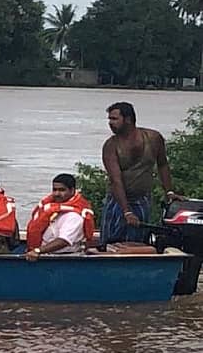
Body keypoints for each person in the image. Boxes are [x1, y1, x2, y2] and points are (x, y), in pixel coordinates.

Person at [101, 101, 178, 245]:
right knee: (111, 242)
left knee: (137, 241)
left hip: (142, 199)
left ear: (128, 119)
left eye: (114, 119)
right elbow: (115, 180)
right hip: (117, 201)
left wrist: (169, 193)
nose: (110, 123)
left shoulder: (153, 138)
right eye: (109, 119)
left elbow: (162, 164)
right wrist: (126, 211)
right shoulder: (111, 146)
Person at [25, 173, 95, 260]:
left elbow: (64, 240)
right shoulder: (51, 207)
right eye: (54, 190)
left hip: (65, 258)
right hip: (44, 256)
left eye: (62, 190)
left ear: (72, 190)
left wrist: (38, 251)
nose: (57, 193)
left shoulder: (75, 215)